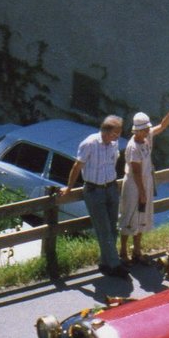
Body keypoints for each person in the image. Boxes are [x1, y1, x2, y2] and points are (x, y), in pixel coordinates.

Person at [61, 115, 127, 277]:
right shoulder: (89, 144)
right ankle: (115, 265)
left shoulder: (113, 143)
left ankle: (105, 263)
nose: (117, 136)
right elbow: (77, 166)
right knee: (103, 229)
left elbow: (113, 162)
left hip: (111, 187)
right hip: (94, 190)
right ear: (106, 131)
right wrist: (69, 188)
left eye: (118, 133)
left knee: (112, 227)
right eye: (115, 133)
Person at [119, 105, 169, 264]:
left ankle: (137, 251)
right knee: (130, 216)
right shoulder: (133, 147)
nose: (148, 131)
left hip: (145, 181)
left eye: (147, 129)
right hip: (134, 185)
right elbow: (136, 172)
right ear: (137, 131)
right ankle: (123, 251)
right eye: (145, 129)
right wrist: (143, 192)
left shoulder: (147, 137)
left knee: (142, 216)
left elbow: (162, 126)